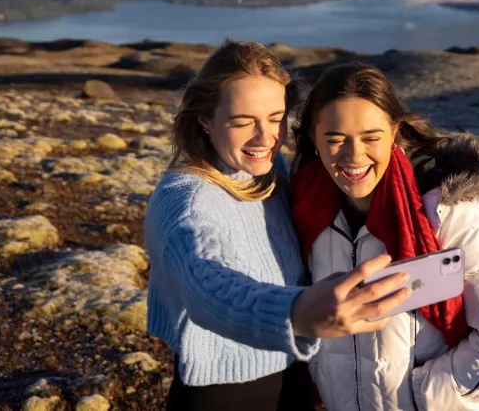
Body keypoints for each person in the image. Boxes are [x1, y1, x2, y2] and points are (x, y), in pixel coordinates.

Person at [144, 41, 411, 411]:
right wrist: (295, 312)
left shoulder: (272, 173)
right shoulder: (186, 198)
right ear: (205, 120)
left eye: (275, 118)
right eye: (242, 122)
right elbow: (206, 283)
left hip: (296, 374)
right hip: (224, 393)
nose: (265, 137)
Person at [289, 62, 479, 411]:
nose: (353, 155)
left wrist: (419, 397)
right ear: (314, 138)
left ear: (395, 132)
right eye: (335, 138)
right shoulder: (302, 212)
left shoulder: (445, 215)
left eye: (370, 137)